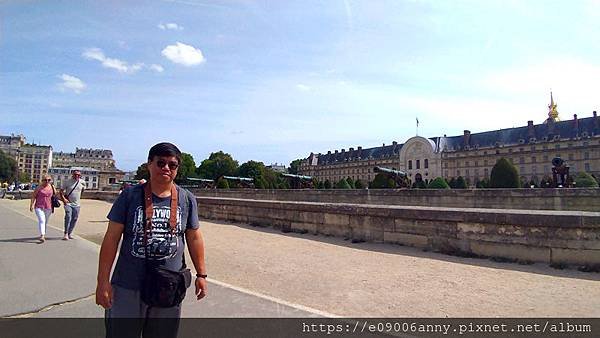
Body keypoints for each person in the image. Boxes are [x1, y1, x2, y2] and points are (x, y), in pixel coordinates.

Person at [96, 142, 207, 338]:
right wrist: (103, 282)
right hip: (128, 284)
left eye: (172, 165)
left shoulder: (187, 199)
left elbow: (194, 237)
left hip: (168, 285)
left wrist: (201, 275)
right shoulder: (130, 196)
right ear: (149, 164)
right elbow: (111, 238)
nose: (166, 168)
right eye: (160, 163)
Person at [60, 170, 86, 240]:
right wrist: (64, 199)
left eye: (78, 175)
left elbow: (83, 190)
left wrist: (79, 197)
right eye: (75, 174)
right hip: (68, 203)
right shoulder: (67, 182)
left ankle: (69, 233)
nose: (77, 176)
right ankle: (65, 233)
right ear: (72, 175)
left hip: (77, 204)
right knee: (68, 216)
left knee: (75, 218)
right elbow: (61, 191)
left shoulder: (82, 182)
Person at [29, 175, 55, 243]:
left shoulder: (52, 187)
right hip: (39, 206)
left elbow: (56, 195)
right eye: (45, 180)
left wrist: (64, 200)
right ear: (42, 180)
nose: (47, 181)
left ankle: (43, 233)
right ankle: (42, 235)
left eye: (49, 180)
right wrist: (31, 205)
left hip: (48, 207)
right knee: (42, 220)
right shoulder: (38, 188)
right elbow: (33, 196)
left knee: (45, 221)